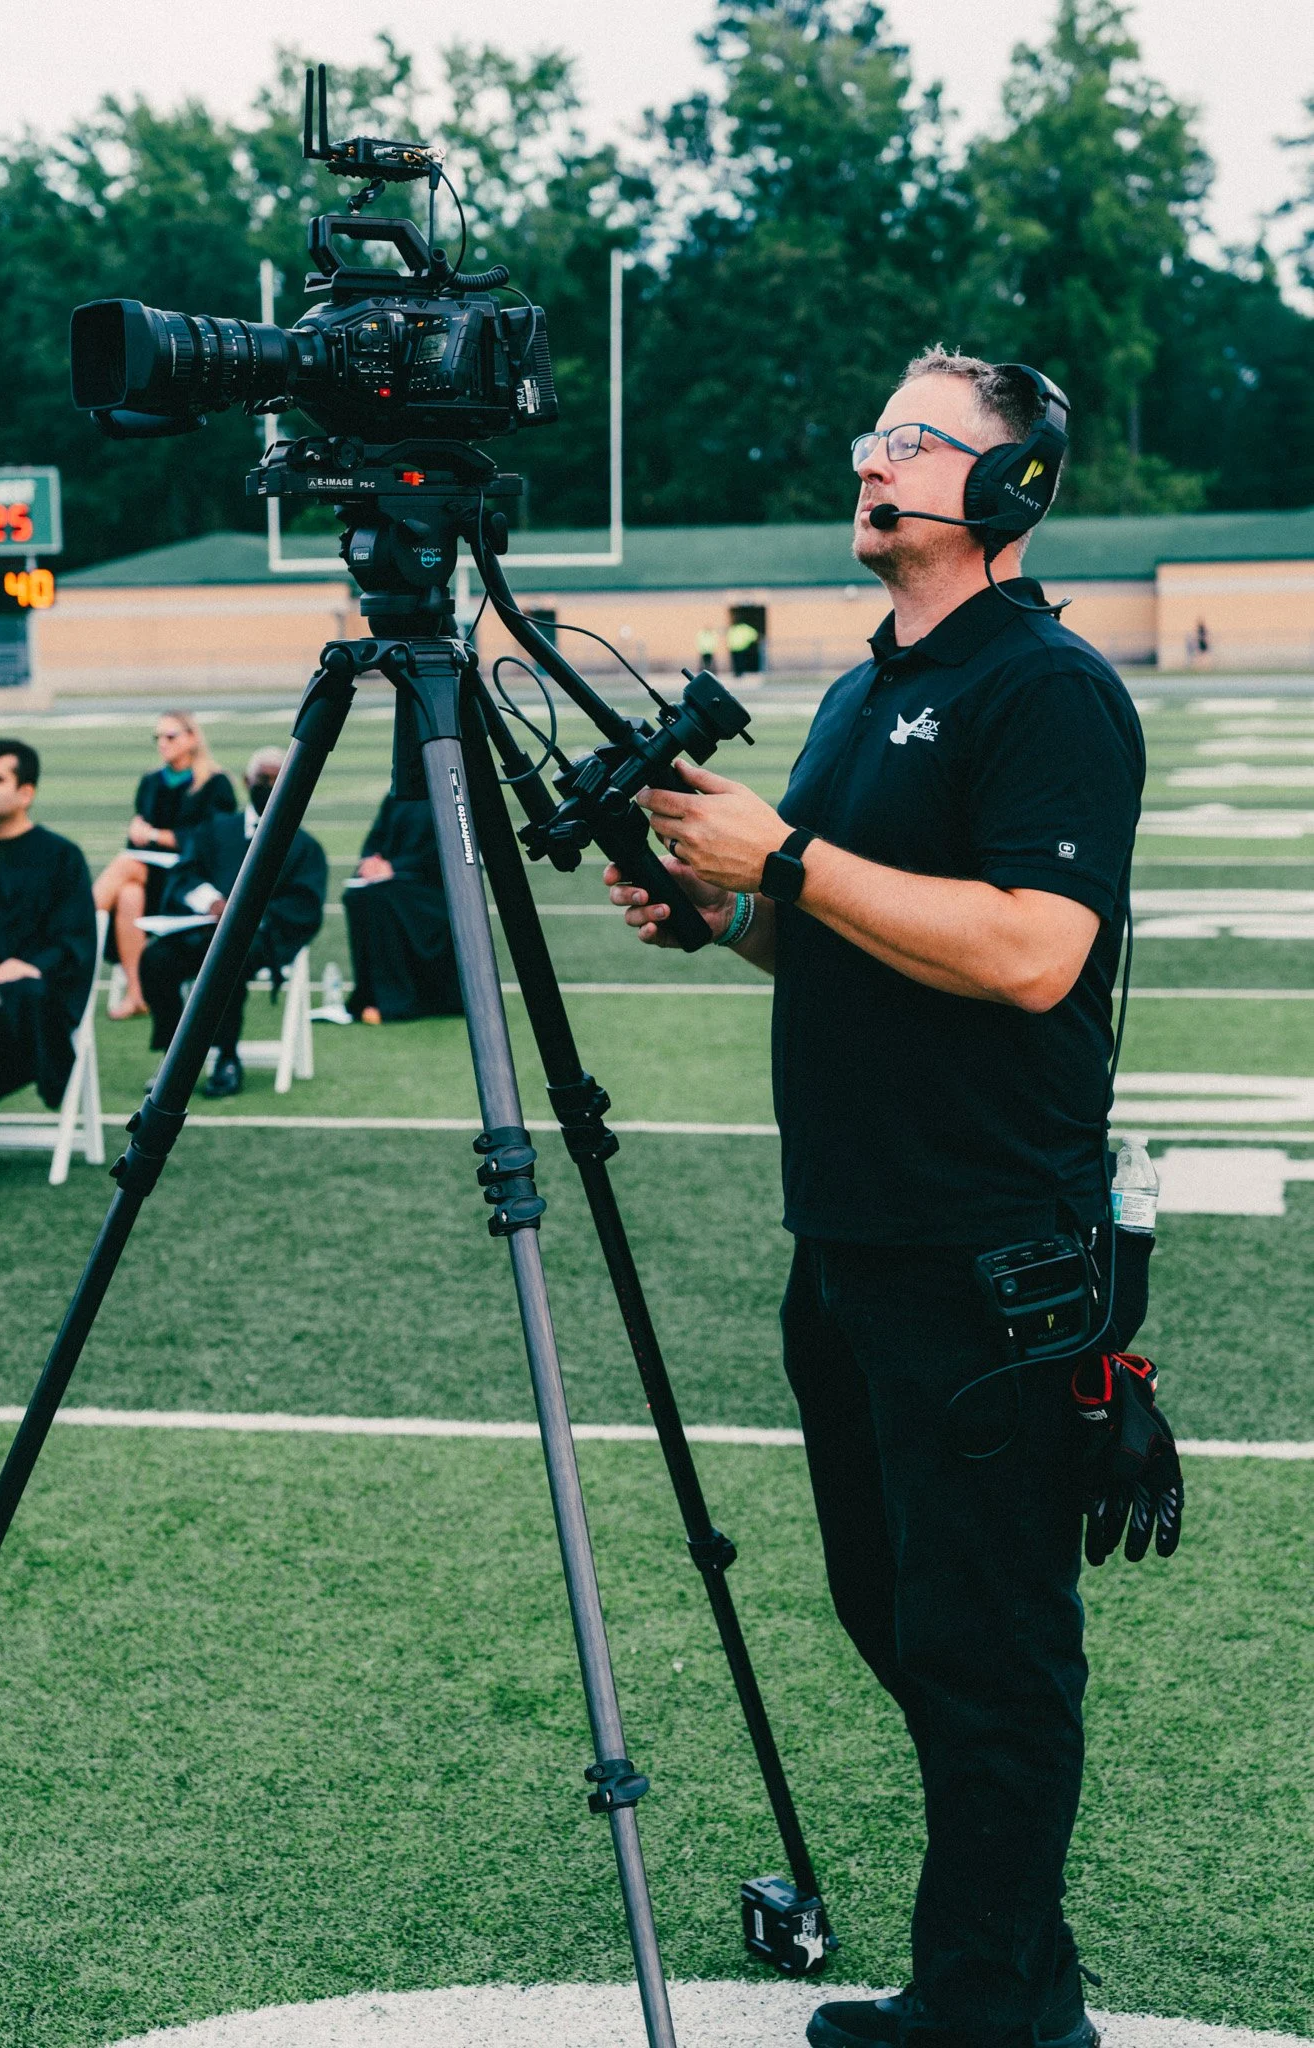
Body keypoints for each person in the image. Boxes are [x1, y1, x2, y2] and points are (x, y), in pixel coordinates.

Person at [605, 350, 1145, 2048]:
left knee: (989, 1644)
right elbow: (812, 918)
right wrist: (715, 899)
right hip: (851, 1231)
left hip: (988, 1246)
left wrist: (784, 860)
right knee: (892, 1604)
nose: (871, 459)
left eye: (911, 439)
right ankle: (1014, 1960)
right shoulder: (857, 690)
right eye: (873, 434)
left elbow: (1035, 951)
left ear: (1007, 488)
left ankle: (996, 2003)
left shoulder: (1046, 687)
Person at [139, 746, 327, 1098]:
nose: (270, 786)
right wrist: (211, 902)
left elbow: (304, 905)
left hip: (258, 940)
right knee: (154, 959)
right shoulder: (215, 830)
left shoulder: (303, 847)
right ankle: (172, 1057)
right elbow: (183, 876)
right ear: (246, 781)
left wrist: (249, 915)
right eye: (263, 779)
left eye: (278, 780)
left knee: (228, 955)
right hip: (198, 931)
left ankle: (226, 1056)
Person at [0, 738, 96, 1115]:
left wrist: (31, 965)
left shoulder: (60, 857)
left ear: (25, 793)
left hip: (31, 992)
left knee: (23, 996)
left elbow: (74, 939)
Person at [93, 711, 236, 1020]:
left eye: (170, 736)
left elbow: (215, 840)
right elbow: (140, 835)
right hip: (149, 874)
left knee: (127, 865)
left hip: (191, 882)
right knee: (129, 893)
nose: (162, 743)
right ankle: (137, 994)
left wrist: (157, 835)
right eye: (157, 737)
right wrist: (137, 833)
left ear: (192, 738)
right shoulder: (150, 781)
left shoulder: (216, 783)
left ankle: (80, 917)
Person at [343, 793, 462, 1023]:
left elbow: (445, 850)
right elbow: (375, 839)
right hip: (397, 881)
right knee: (356, 895)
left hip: (433, 887)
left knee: (382, 899)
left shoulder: (450, 791)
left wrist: (394, 867)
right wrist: (371, 862)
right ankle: (369, 996)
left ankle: (396, 1000)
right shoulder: (397, 795)